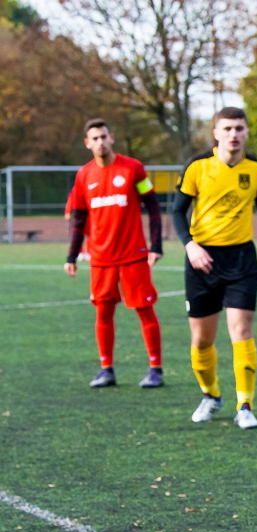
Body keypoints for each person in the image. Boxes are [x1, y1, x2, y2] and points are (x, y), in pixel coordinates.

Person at [172, 106, 257, 429]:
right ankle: (211, 395)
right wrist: (190, 245)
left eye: (239, 128)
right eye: (227, 129)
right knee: (201, 341)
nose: (233, 135)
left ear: (247, 132)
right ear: (215, 133)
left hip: (241, 261)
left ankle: (245, 404)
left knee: (241, 331)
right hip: (202, 261)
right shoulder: (197, 167)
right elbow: (178, 212)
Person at [64, 118, 164, 389]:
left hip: (133, 255)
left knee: (144, 309)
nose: (100, 142)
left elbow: (153, 207)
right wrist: (71, 256)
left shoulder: (133, 169)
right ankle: (106, 369)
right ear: (87, 143)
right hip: (101, 259)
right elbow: (78, 219)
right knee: (103, 313)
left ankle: (155, 368)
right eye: (94, 138)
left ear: (112, 138)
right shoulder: (84, 175)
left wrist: (156, 246)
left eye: (103, 136)